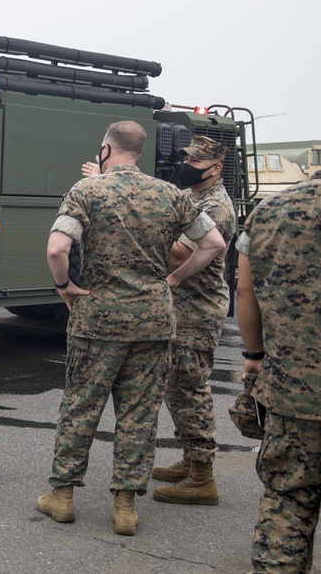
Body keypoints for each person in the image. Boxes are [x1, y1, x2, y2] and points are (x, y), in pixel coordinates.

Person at [38, 120, 226, 536]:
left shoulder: (86, 191)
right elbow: (214, 245)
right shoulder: (172, 195)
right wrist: (172, 281)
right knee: (139, 414)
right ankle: (125, 506)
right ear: (138, 151)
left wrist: (64, 286)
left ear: (106, 149)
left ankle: (63, 497)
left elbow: (57, 247)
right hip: (154, 320)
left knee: (82, 406)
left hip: (98, 319)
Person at [236, 177, 320, 573]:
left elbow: (245, 292)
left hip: (292, 390)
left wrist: (254, 355)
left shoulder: (269, 211)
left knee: (288, 499)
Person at [150, 135, 236, 505]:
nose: (187, 165)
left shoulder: (215, 206)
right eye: (186, 157)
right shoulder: (194, 198)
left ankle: (203, 477)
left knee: (190, 388)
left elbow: (178, 254)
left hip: (196, 309)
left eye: (195, 161)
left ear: (215, 169)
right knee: (178, 387)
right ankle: (190, 460)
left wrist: (146, 228)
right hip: (183, 306)